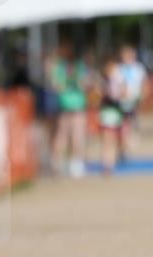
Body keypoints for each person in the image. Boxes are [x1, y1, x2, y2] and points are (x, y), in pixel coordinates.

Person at [48, 41, 89, 177]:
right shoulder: (71, 67)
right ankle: (69, 163)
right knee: (70, 135)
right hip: (71, 105)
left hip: (69, 105)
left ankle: (62, 163)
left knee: (66, 135)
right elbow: (85, 84)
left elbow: (55, 85)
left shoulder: (65, 68)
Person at [118, 45, 148, 159]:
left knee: (131, 122)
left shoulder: (138, 69)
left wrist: (143, 96)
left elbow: (144, 83)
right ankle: (122, 148)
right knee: (122, 124)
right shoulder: (119, 69)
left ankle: (127, 143)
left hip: (134, 100)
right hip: (121, 102)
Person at [98, 56, 125, 174]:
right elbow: (98, 96)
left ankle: (111, 163)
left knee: (113, 139)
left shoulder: (119, 80)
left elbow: (124, 93)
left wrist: (119, 91)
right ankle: (106, 163)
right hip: (106, 112)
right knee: (106, 139)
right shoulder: (103, 81)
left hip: (115, 112)